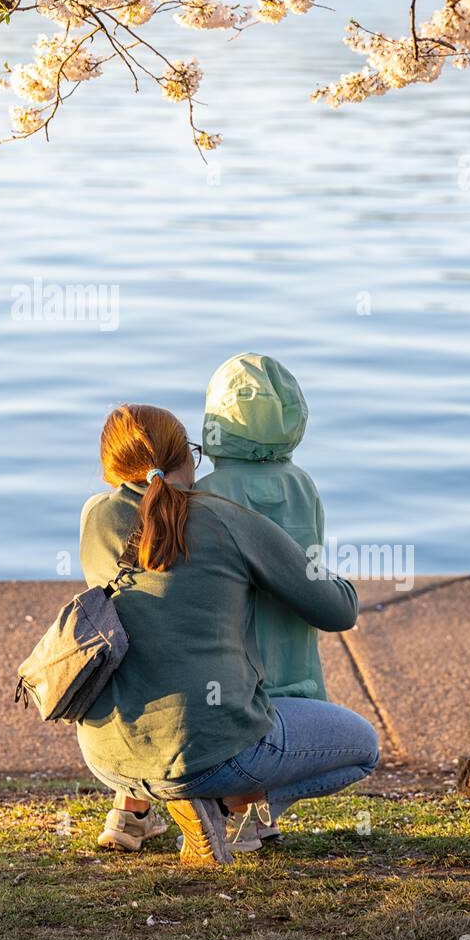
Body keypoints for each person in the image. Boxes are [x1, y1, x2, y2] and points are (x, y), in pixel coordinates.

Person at [79, 404, 378, 869]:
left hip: (108, 755)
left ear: (111, 471)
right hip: (208, 753)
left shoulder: (94, 518)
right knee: (363, 747)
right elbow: (338, 610)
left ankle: (147, 809)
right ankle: (223, 805)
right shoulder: (225, 518)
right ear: (189, 459)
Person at [193, 352, 327, 847]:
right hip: (292, 630)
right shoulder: (302, 487)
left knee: (243, 704)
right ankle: (266, 819)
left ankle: (225, 806)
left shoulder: (209, 491)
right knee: (290, 697)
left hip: (232, 633)